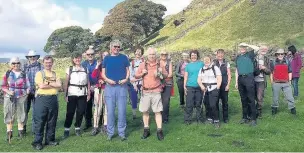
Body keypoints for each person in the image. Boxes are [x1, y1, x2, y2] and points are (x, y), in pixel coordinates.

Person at [135, 47, 168, 141]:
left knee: (157, 111)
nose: (152, 56)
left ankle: (159, 131)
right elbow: (136, 75)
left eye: (153, 54)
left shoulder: (160, 64)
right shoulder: (142, 65)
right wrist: (142, 73)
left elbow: (166, 75)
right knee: (145, 111)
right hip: (145, 91)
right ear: (147, 55)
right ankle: (146, 130)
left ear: (155, 55)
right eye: (150, 54)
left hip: (156, 91)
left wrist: (161, 72)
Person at [32, 56, 62, 150]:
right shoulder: (40, 73)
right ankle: (37, 142)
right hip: (42, 99)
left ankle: (50, 140)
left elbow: (60, 85)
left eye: (50, 62)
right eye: (46, 62)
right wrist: (53, 85)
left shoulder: (55, 73)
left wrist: (48, 83)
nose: (48, 64)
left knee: (52, 121)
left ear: (52, 63)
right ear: (43, 63)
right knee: (40, 121)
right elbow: (41, 86)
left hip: (53, 99)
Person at [102, 40, 130, 141]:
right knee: (110, 112)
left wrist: (126, 79)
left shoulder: (124, 58)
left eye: (118, 47)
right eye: (115, 46)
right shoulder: (106, 58)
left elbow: (128, 71)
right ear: (111, 47)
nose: (116, 48)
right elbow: (103, 73)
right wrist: (108, 80)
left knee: (122, 111)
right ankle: (110, 132)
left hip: (122, 87)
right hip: (110, 88)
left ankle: (122, 133)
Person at [1, 57, 30, 141]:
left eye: (17, 63)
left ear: (20, 64)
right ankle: (9, 133)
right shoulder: (7, 73)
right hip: (9, 96)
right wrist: (8, 91)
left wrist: (27, 91)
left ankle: (20, 133)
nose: (16, 65)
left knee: (22, 113)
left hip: (22, 96)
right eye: (14, 63)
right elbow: (2, 85)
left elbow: (28, 85)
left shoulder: (24, 74)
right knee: (9, 113)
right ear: (11, 64)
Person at [63, 52, 91, 138]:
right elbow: (66, 82)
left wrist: (89, 93)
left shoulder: (85, 69)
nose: (77, 59)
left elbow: (88, 82)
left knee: (81, 111)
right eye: (75, 58)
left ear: (81, 58)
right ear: (73, 59)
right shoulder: (70, 69)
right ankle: (67, 128)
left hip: (83, 93)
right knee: (70, 112)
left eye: (79, 58)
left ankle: (77, 127)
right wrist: (65, 94)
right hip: (72, 93)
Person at [235, 43, 259, 126]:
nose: (242, 48)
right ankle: (244, 117)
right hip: (240, 78)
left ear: (246, 48)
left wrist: (247, 44)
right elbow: (237, 70)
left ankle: (253, 119)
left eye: (244, 47)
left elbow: (257, 48)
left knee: (251, 99)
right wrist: (236, 82)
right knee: (243, 99)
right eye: (241, 47)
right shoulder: (238, 57)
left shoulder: (250, 54)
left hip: (249, 77)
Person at [270, 49, 296, 115]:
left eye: (282, 54)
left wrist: (290, 80)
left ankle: (292, 109)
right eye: (279, 54)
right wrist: (272, 82)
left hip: (286, 83)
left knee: (290, 97)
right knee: (275, 97)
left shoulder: (287, 61)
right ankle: (274, 109)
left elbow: (290, 72)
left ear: (284, 54)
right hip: (276, 83)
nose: (280, 55)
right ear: (276, 55)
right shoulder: (273, 62)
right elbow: (271, 73)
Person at [198, 56, 222, 128]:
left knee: (213, 105)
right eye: (205, 60)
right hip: (205, 89)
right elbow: (199, 80)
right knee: (207, 104)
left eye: (208, 60)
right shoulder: (202, 69)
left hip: (214, 88)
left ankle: (216, 120)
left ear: (211, 60)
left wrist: (217, 87)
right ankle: (209, 118)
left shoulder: (215, 68)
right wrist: (202, 86)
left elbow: (219, 78)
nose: (206, 61)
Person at [23, 50, 43, 134]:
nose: (32, 58)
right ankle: (22, 128)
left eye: (34, 56)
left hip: (37, 92)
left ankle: (34, 129)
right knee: (24, 111)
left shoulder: (41, 67)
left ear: (37, 57)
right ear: (28, 58)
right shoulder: (24, 67)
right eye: (30, 57)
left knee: (36, 111)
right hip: (26, 92)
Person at [184, 50, 204, 125]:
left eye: (195, 55)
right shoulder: (188, 66)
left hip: (199, 86)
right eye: (192, 55)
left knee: (199, 104)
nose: (193, 56)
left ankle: (200, 119)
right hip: (190, 86)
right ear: (190, 56)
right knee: (189, 104)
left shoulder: (201, 64)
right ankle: (187, 120)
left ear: (197, 56)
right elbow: (186, 76)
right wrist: (184, 86)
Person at [91, 51, 108, 135]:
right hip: (99, 89)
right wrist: (97, 66)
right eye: (104, 55)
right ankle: (95, 126)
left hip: (108, 89)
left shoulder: (111, 66)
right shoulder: (99, 66)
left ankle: (105, 125)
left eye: (107, 55)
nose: (105, 56)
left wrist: (105, 80)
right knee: (98, 108)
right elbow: (93, 76)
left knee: (107, 108)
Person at [81, 46, 98, 130]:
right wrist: (88, 86)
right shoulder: (83, 64)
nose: (90, 55)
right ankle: (88, 123)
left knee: (98, 105)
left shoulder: (98, 63)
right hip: (87, 88)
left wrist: (95, 86)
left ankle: (99, 121)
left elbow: (101, 75)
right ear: (86, 55)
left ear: (94, 55)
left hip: (97, 87)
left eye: (92, 54)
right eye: (88, 54)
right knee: (87, 106)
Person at [253, 45, 271, 118]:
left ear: (267, 50)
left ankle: (258, 112)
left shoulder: (267, 59)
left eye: (265, 49)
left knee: (259, 98)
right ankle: (252, 111)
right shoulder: (254, 58)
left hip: (261, 81)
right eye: (262, 49)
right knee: (252, 97)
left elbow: (269, 71)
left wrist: (264, 68)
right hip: (252, 80)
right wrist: (257, 68)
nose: (263, 50)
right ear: (259, 50)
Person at [213, 49, 231, 123]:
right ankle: (216, 117)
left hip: (224, 84)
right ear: (216, 55)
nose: (220, 55)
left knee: (225, 102)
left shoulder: (227, 63)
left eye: (221, 54)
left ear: (223, 55)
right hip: (215, 85)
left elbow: (229, 75)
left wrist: (228, 85)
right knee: (215, 101)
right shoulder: (213, 63)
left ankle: (225, 118)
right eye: (218, 54)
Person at [129, 47, 145, 120]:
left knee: (143, 98)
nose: (138, 53)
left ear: (142, 53)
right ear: (134, 53)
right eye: (137, 52)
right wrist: (134, 84)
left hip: (142, 82)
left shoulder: (144, 62)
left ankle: (144, 113)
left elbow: (145, 74)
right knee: (133, 98)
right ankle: (134, 113)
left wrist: (142, 82)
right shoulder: (131, 63)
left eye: (140, 52)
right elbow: (130, 74)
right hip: (134, 83)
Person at [159, 51, 173, 124]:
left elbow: (170, 74)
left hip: (168, 84)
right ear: (160, 55)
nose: (164, 55)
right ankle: (159, 116)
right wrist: (165, 74)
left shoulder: (169, 63)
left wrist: (162, 75)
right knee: (159, 100)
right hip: (158, 84)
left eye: (165, 54)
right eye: (162, 54)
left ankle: (165, 118)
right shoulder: (157, 62)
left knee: (166, 101)